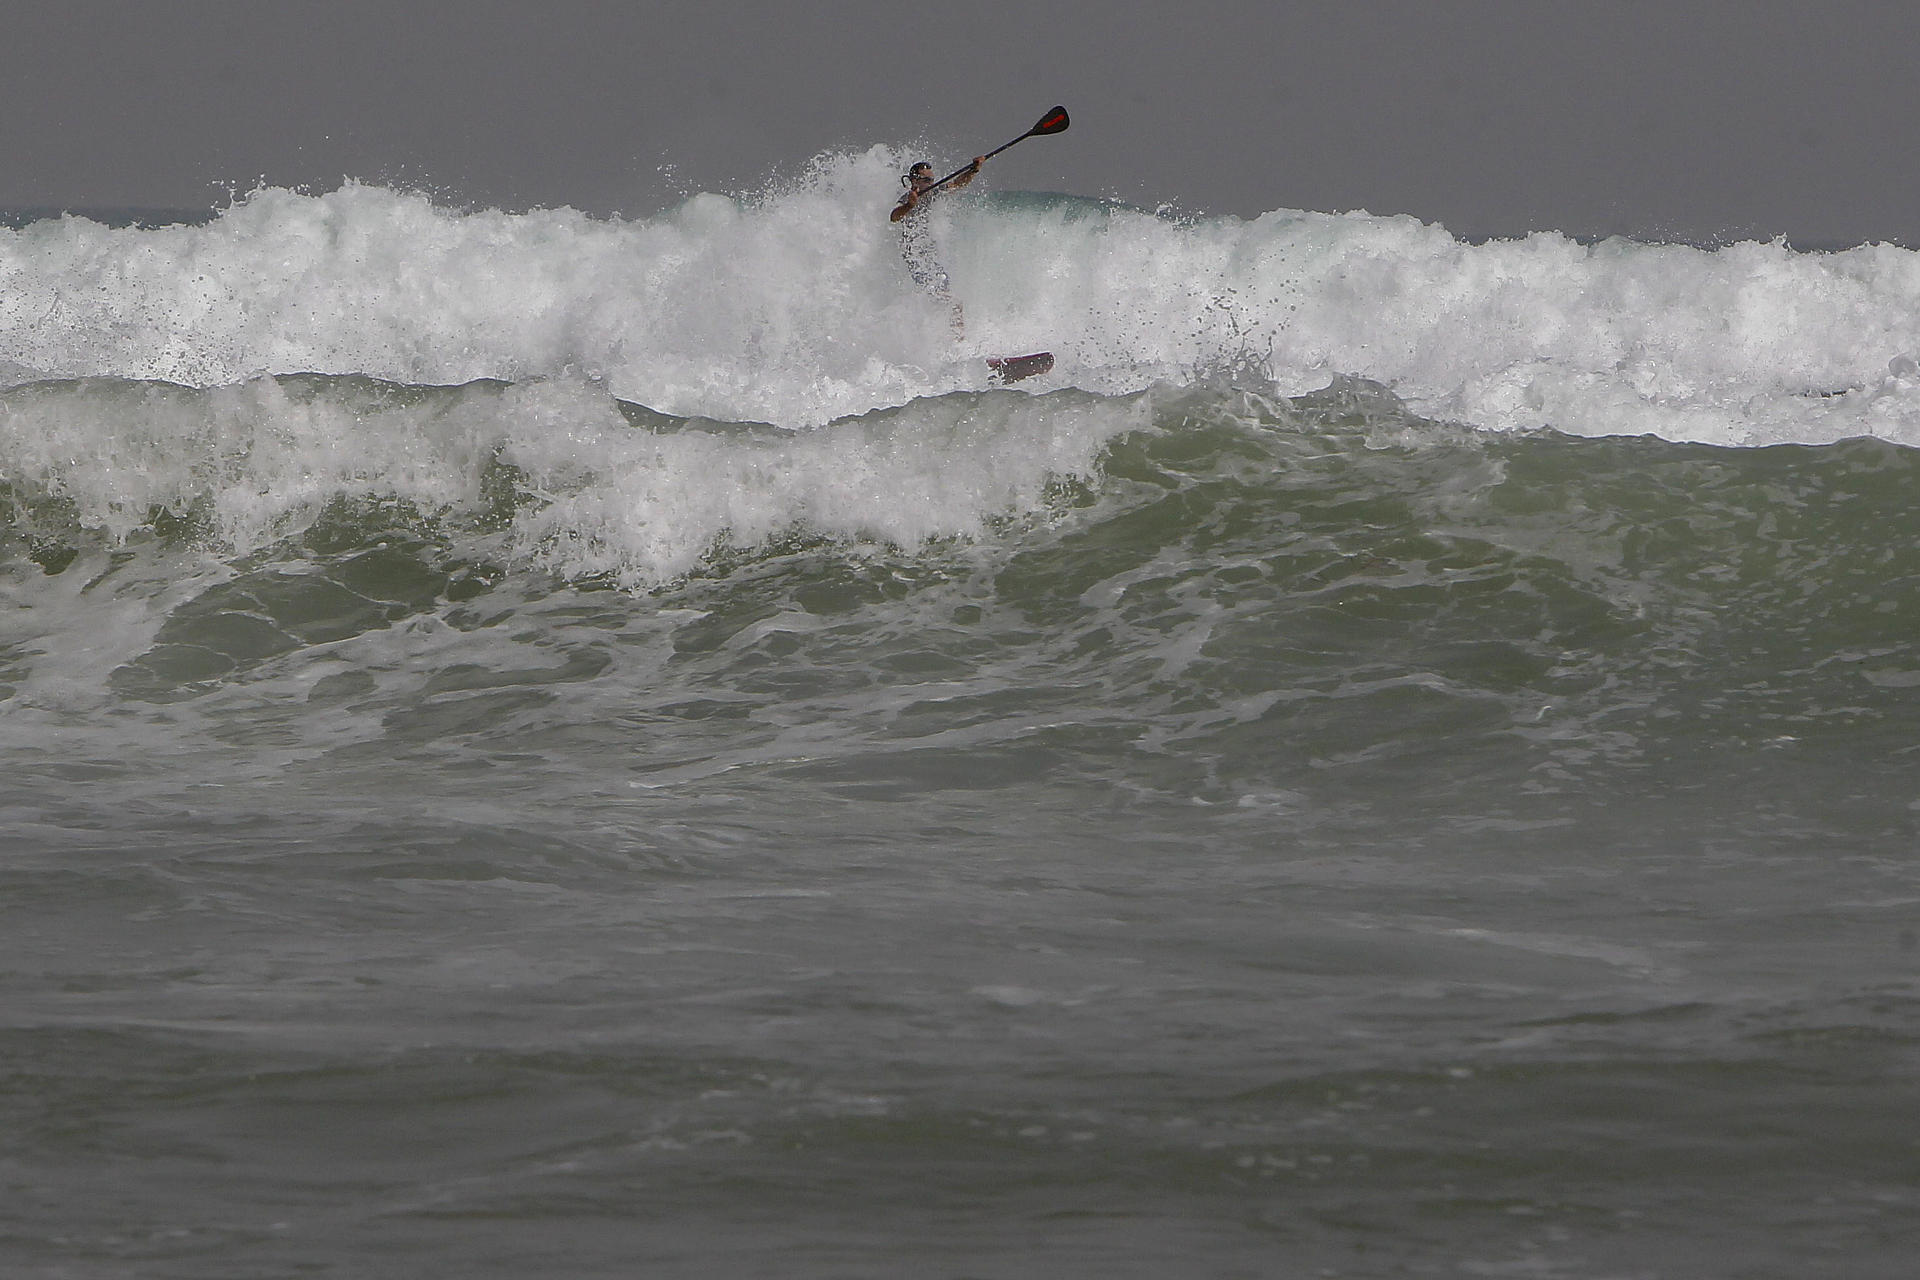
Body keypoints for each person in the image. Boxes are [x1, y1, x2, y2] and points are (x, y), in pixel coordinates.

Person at [890, 156, 984, 333]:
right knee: (950, 301)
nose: (931, 183)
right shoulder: (906, 199)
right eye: (926, 180)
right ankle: (953, 343)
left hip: (930, 258)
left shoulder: (932, 193)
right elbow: (894, 217)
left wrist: (974, 170)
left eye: (932, 179)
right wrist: (910, 206)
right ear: (914, 181)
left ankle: (950, 342)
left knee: (949, 302)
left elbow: (958, 183)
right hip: (915, 259)